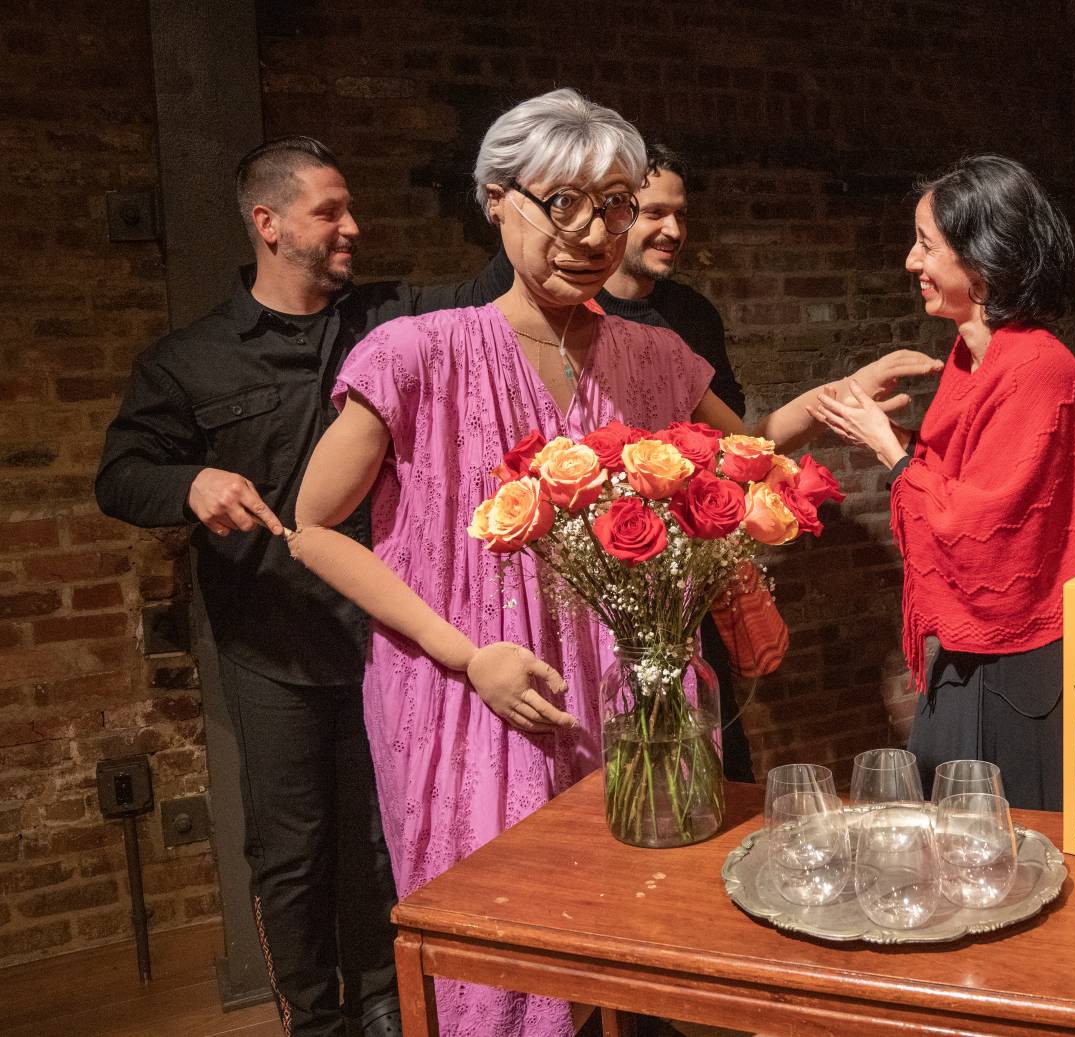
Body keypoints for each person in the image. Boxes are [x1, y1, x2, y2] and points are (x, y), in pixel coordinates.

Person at [286, 88, 932, 1037]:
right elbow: (313, 526)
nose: (595, 231)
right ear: (497, 197)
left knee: (641, 939)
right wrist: (466, 654)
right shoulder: (416, 352)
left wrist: (832, 400)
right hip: (477, 690)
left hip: (632, 685)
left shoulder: (653, 351)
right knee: (509, 953)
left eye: (617, 205)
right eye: (566, 204)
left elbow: (740, 447)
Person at [95, 136, 495, 1037]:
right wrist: (188, 483)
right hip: (271, 643)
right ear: (268, 224)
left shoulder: (392, 319)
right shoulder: (190, 358)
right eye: (330, 212)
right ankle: (313, 1021)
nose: (353, 227)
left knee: (388, 832)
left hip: (393, 631)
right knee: (293, 849)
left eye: (350, 209)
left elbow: (488, 291)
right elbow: (119, 473)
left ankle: (388, 1000)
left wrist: (525, 191)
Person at [814, 154, 1075, 811]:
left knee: (1008, 855)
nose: (910, 261)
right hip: (965, 653)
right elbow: (965, 486)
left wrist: (886, 446)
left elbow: (985, 530)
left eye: (927, 244)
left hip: (1020, 664)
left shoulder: (1040, 366)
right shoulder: (970, 354)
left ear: (982, 260)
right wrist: (891, 443)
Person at [469, 142, 754, 780]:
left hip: (661, 595)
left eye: (614, 208)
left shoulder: (677, 327)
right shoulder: (476, 326)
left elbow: (731, 450)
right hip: (554, 607)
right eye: (650, 211)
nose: (671, 230)